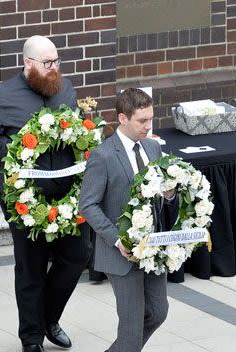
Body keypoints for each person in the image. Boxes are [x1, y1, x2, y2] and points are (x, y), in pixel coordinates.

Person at [0, 35, 92, 352]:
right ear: (27, 63)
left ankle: (49, 318)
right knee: (31, 267)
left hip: (66, 192)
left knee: (78, 255)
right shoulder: (3, 96)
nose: (54, 68)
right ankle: (32, 338)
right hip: (24, 197)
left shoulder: (64, 88)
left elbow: (76, 128)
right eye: (47, 63)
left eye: (57, 61)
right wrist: (17, 149)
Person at [79, 88, 178, 352]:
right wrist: (116, 239)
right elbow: (87, 204)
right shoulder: (104, 155)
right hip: (121, 255)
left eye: (151, 119)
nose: (148, 126)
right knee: (131, 328)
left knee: (158, 312)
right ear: (122, 119)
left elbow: (163, 193)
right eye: (142, 121)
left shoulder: (153, 147)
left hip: (153, 248)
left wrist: (169, 193)